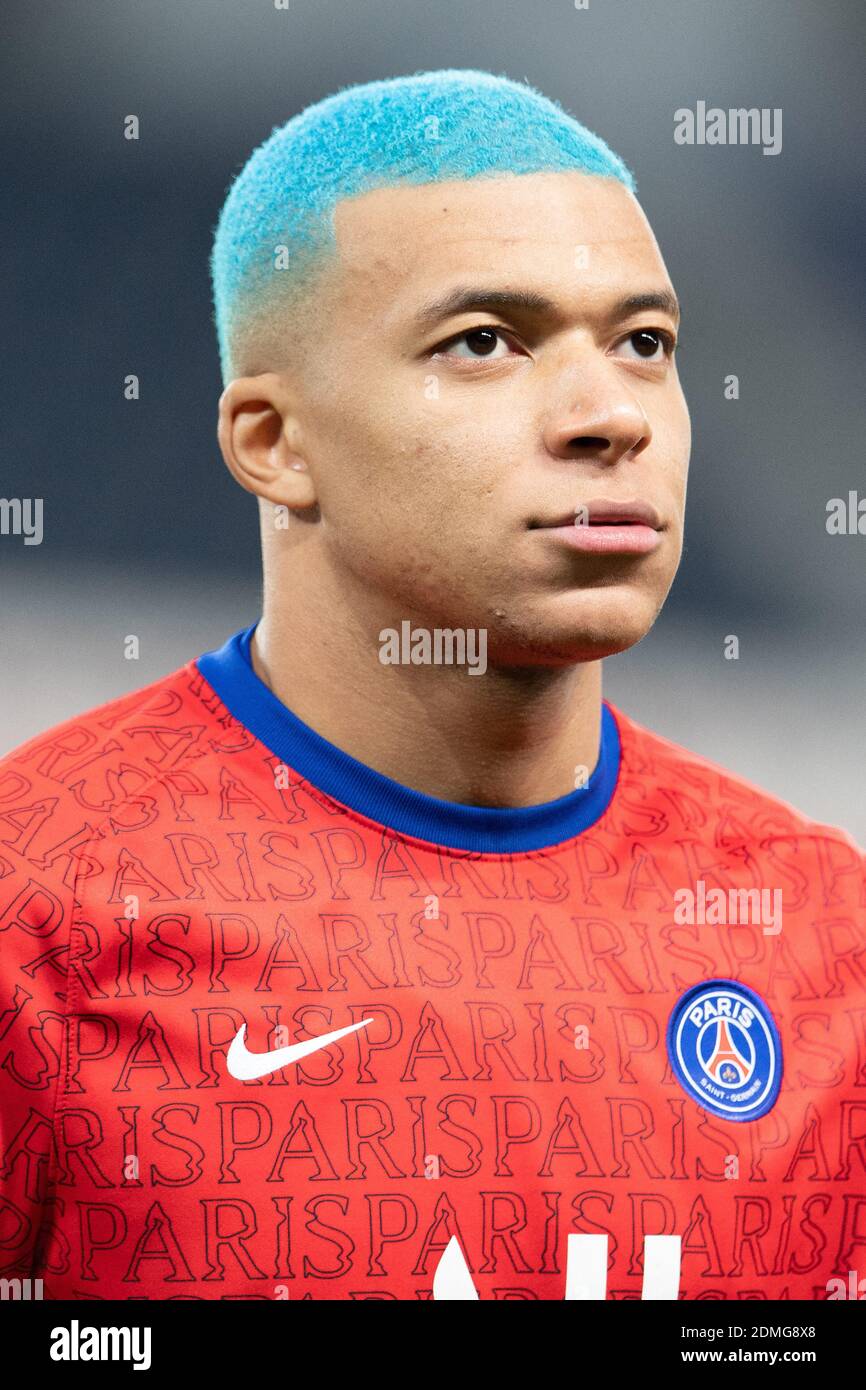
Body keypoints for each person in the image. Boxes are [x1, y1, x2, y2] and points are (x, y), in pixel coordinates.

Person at [1, 69, 863, 1302]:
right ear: (273, 444)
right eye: (483, 343)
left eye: (641, 343)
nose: (606, 414)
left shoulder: (818, 929)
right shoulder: (38, 905)